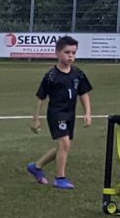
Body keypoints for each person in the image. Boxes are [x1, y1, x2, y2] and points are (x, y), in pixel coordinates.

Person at [27, 36, 94, 190]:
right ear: (57, 53)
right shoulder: (51, 76)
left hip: (70, 113)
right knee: (64, 143)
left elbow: (84, 94)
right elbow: (40, 98)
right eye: (67, 52)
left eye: (73, 53)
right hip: (57, 114)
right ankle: (60, 178)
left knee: (64, 146)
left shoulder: (78, 74)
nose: (71, 56)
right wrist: (35, 119)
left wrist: (88, 113)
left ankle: (36, 166)